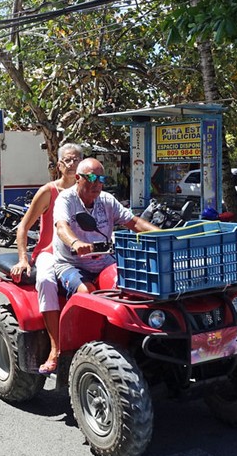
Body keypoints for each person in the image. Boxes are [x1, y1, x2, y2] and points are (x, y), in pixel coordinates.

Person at [50, 158, 160, 372]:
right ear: (79, 178)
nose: (96, 183)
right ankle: (82, 349)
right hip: (71, 263)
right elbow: (62, 227)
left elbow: (133, 222)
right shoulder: (66, 199)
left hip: (103, 261)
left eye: (101, 178)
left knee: (132, 290)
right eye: (91, 177)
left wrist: (164, 236)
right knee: (87, 293)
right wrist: (76, 243)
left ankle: (128, 343)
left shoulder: (107, 200)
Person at [10, 144, 84, 374]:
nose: (72, 164)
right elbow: (23, 227)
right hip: (49, 253)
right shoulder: (48, 191)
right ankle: (56, 348)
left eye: (77, 160)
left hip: (81, 253)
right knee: (46, 281)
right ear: (60, 165)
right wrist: (23, 259)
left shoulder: (90, 190)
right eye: (68, 160)